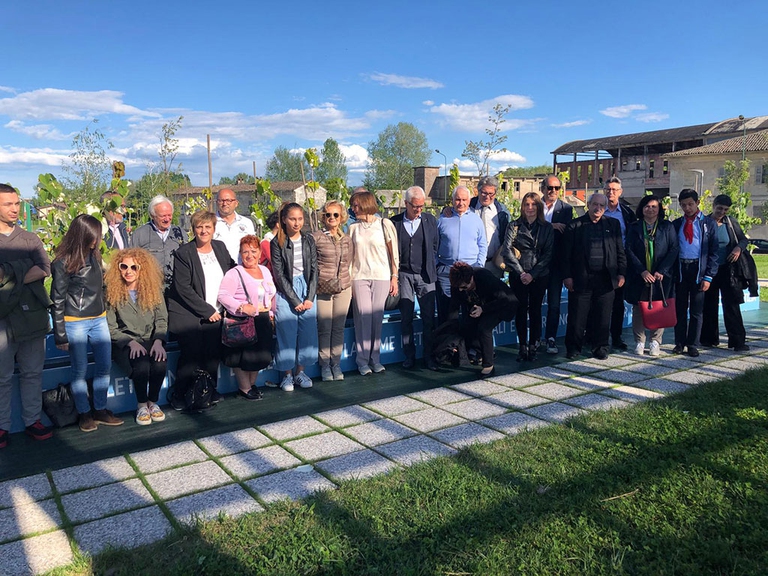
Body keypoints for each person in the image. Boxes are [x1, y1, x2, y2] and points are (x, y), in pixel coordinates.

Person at [51, 214, 124, 432]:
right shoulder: (63, 262)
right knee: (79, 370)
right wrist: (60, 334)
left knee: (104, 366)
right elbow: (57, 299)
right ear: (82, 236)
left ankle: (100, 410)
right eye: (94, 236)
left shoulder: (94, 255)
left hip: (98, 318)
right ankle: (84, 414)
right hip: (75, 321)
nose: (98, 240)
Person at [0, 184, 53, 447]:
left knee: (33, 372)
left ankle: (32, 420)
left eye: (16, 203)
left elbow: (44, 268)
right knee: (2, 376)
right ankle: (2, 426)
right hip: (2, 321)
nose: (14, 209)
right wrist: (23, 271)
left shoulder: (30, 239)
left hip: (32, 318)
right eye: (7, 204)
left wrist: (10, 277)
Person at [167, 210, 235, 406]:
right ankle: (180, 394)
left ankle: (208, 390)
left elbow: (232, 271)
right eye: (199, 227)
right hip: (190, 314)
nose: (204, 231)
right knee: (192, 355)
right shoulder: (183, 253)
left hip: (217, 311)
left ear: (214, 229)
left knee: (213, 355)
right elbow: (183, 288)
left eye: (208, 227)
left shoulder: (220, 248)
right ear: (193, 229)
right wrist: (208, 311)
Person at [105, 248, 168, 425]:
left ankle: (152, 402)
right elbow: (110, 327)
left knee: (160, 363)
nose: (128, 271)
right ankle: (141, 405)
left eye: (134, 267)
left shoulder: (153, 291)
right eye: (123, 266)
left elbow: (162, 319)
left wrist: (158, 341)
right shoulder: (111, 293)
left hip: (150, 339)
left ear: (142, 269)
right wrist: (129, 342)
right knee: (141, 365)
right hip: (124, 343)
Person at [563, 193, 627, 360]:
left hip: (606, 279)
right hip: (581, 278)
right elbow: (565, 255)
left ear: (605, 208)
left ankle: (600, 348)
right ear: (588, 205)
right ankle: (573, 348)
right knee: (577, 317)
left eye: (601, 206)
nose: (598, 208)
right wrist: (567, 276)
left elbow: (620, 251)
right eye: (595, 204)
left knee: (603, 316)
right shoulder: (574, 225)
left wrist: (621, 273)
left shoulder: (613, 224)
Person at [218, 236, 276, 399]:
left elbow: (271, 294)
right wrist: (241, 307)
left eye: (253, 251)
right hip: (243, 321)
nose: (250, 255)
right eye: (245, 252)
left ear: (259, 252)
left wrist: (272, 312)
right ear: (240, 254)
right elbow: (223, 295)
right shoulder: (234, 273)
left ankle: (251, 385)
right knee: (242, 357)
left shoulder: (264, 270)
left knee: (260, 356)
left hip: (263, 320)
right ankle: (244, 388)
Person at [348, 190, 399, 375]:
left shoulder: (385, 224)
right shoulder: (353, 228)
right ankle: (362, 361)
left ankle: (375, 359)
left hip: (381, 276)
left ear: (365, 204)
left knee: (377, 318)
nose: (353, 209)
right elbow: (349, 258)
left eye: (356, 205)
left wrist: (395, 277)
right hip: (359, 276)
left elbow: (394, 254)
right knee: (362, 317)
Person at [501, 192, 553, 361]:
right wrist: (522, 272)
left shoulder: (547, 228)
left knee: (536, 310)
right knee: (521, 310)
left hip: (540, 273)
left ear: (539, 207)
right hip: (519, 273)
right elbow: (506, 250)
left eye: (533, 204)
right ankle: (522, 346)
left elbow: (548, 254)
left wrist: (533, 274)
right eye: (526, 204)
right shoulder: (514, 226)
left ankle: (534, 345)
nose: (530, 208)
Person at [271, 203, 318, 390]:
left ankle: (300, 372)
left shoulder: (308, 240)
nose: (296, 223)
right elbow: (279, 274)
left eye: (300, 219)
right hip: (286, 292)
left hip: (307, 290)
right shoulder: (277, 243)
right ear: (284, 220)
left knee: (308, 334)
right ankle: (287, 375)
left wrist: (309, 297)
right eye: (292, 219)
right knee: (286, 333)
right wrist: (295, 300)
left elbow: (315, 269)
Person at [624, 195, 679, 357]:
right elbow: (629, 250)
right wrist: (642, 271)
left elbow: (674, 249)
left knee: (659, 307)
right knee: (639, 308)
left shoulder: (667, 227)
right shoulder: (634, 227)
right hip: (640, 275)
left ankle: (655, 342)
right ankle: (639, 341)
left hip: (661, 276)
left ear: (659, 209)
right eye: (647, 206)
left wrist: (662, 270)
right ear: (642, 209)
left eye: (654, 206)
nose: (651, 209)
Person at [391, 186, 439, 370]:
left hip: (426, 275)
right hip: (403, 275)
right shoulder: (394, 223)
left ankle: (429, 356)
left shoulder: (430, 221)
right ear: (406, 204)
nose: (419, 210)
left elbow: (435, 245)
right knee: (406, 318)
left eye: (421, 206)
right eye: (415, 206)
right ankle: (409, 356)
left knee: (428, 318)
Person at [448, 262, 517, 376]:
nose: (461, 290)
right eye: (458, 288)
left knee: (484, 328)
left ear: (471, 279)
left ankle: (488, 364)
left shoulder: (484, 276)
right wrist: (451, 335)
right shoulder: (456, 284)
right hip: (480, 304)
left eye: (464, 287)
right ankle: (481, 352)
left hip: (503, 304)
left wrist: (483, 309)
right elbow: (453, 308)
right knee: (467, 323)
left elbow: (503, 299)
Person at [672, 189, 718, 357]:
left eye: (690, 204)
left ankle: (692, 344)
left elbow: (714, 252)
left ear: (697, 203)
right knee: (680, 308)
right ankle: (679, 342)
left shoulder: (708, 224)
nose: (687, 208)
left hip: (699, 270)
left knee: (697, 310)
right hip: (682, 269)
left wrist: (708, 276)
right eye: (683, 205)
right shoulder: (677, 224)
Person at [701, 194, 750, 352]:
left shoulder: (731, 222)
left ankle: (737, 341)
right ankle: (709, 339)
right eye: (719, 208)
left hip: (728, 270)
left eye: (725, 210)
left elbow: (743, 240)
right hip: (710, 269)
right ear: (713, 206)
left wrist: (738, 248)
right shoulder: (704, 223)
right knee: (709, 305)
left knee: (732, 305)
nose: (722, 212)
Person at [313, 201, 353, 381]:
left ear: (341, 217)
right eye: (328, 214)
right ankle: (324, 366)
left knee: (338, 328)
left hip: (343, 287)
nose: (332, 218)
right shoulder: (316, 238)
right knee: (324, 328)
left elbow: (349, 261)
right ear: (323, 217)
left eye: (335, 215)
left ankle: (336, 364)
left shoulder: (346, 239)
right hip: (323, 287)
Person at [436, 185, 487, 321]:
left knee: (469, 312)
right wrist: (437, 264)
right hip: (446, 271)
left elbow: (482, 245)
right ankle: (447, 341)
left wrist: (478, 266)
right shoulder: (442, 220)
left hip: (469, 272)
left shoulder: (476, 221)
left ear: (469, 201)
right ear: (452, 200)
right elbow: (434, 244)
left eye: (464, 199)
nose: (461, 203)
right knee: (446, 312)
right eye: (458, 199)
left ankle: (467, 342)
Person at [600, 176, 636, 351]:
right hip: (599, 261)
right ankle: (596, 336)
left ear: (620, 192)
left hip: (621, 262)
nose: (611, 192)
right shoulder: (598, 209)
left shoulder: (628, 213)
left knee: (618, 302)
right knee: (597, 300)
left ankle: (616, 336)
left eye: (614, 190)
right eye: (608, 189)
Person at [540, 175, 574, 354]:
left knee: (554, 304)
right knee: (535, 303)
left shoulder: (566, 209)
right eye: (549, 187)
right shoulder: (534, 205)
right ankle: (535, 339)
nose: (553, 191)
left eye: (556, 188)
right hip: (536, 264)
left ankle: (550, 338)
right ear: (543, 188)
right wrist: (551, 226)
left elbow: (567, 234)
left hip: (555, 264)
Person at [131, 195, 188, 288]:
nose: (167, 219)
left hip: (176, 287)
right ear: (153, 216)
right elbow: (131, 262)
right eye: (163, 216)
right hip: (150, 288)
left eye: (169, 215)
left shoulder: (179, 233)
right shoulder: (140, 234)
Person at [470, 175, 510, 278]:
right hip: (471, 263)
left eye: (491, 193)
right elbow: (454, 209)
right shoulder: (468, 207)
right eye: (483, 192)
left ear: (495, 193)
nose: (487, 196)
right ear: (478, 191)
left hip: (493, 263)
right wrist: (446, 210)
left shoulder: (502, 211)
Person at [214, 188, 256, 262]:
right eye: (221, 200)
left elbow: (253, 247)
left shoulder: (247, 223)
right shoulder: (210, 223)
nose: (224, 204)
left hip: (242, 268)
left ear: (236, 203)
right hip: (218, 269)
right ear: (217, 202)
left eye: (229, 201)